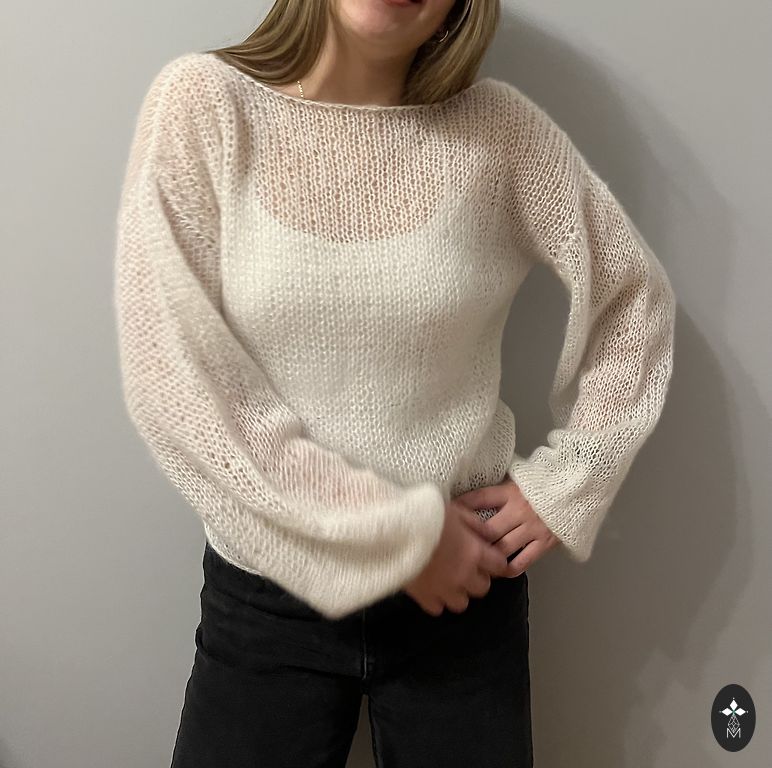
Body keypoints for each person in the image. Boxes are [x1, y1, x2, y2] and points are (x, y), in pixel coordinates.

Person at [112, 0, 677, 766]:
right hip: (271, 595)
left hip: (463, 600)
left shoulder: (499, 132)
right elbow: (174, 378)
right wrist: (398, 536)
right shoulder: (205, 106)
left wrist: (568, 484)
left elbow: (632, 301)